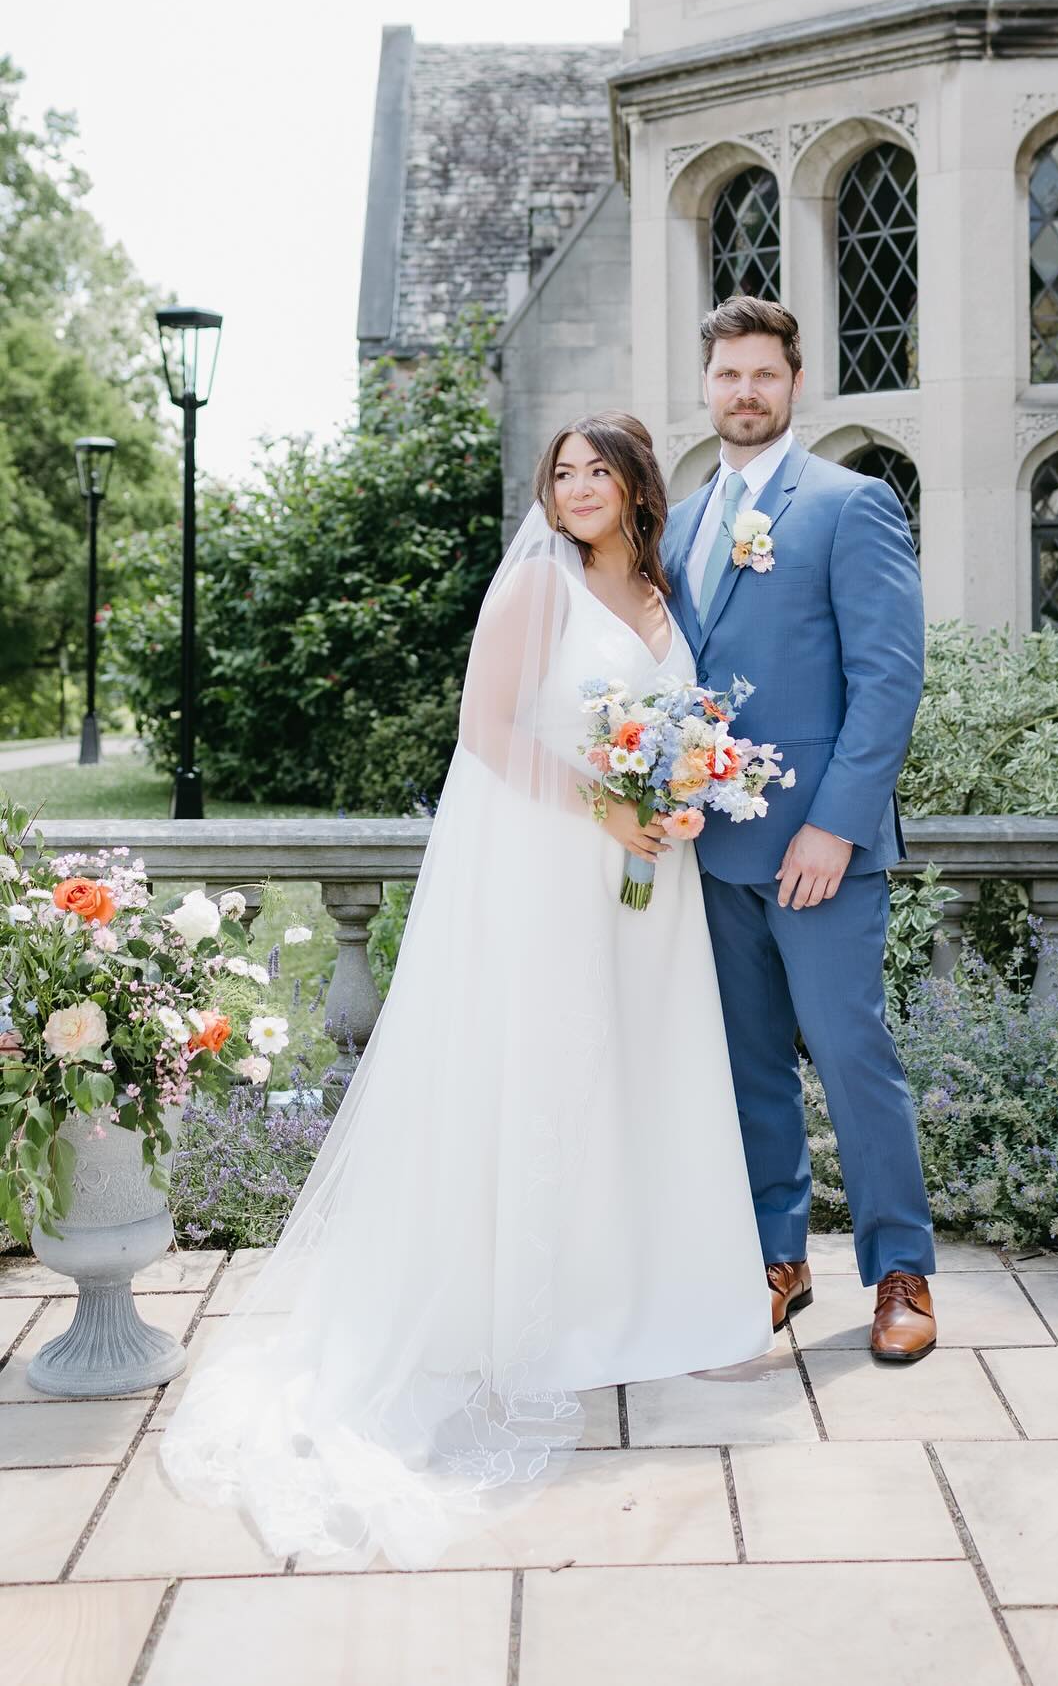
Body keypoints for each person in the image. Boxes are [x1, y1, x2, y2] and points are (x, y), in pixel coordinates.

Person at [159, 412, 773, 1570]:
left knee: (643, 1076)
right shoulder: (538, 588)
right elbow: (486, 731)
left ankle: (653, 1302)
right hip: (552, 862)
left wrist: (686, 788)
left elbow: (670, 721)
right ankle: (531, 1316)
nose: (579, 486)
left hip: (645, 877)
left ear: (640, 485)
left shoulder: (658, 590)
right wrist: (613, 806)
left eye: (600, 470)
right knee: (550, 1073)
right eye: (563, 471)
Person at [660, 294, 938, 1364]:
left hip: (820, 853)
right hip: (710, 847)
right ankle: (778, 1260)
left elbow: (888, 681)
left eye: (763, 375)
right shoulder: (680, 519)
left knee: (855, 1055)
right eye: (727, 374)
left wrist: (834, 828)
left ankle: (901, 1273)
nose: (744, 391)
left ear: (794, 383)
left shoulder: (849, 503)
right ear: (706, 384)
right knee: (746, 1068)